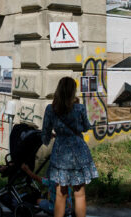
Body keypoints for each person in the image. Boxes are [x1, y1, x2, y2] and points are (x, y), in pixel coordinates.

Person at [42, 77, 98, 217]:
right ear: (73, 91)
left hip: (61, 153)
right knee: (79, 194)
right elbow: (86, 127)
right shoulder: (79, 108)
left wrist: (55, 135)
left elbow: (45, 136)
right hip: (78, 152)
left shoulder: (50, 109)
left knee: (61, 194)